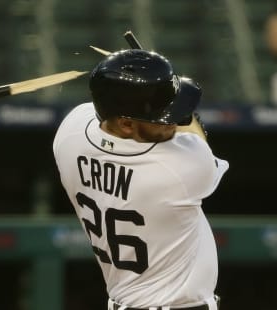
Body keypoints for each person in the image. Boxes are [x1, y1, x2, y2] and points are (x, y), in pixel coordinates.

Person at [53, 48, 229, 310]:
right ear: (125, 124)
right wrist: (186, 114)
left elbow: (101, 106)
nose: (173, 122)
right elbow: (193, 135)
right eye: (164, 117)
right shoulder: (179, 168)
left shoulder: (69, 133)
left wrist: (145, 88)